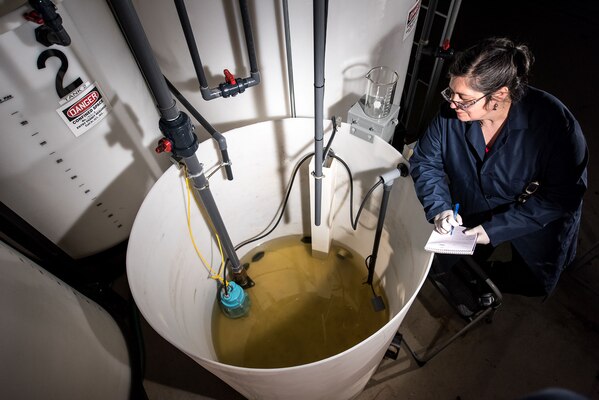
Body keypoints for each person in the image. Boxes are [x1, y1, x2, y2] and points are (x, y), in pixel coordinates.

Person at [410, 37, 588, 298]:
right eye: (451, 92)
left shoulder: (555, 126)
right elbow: (426, 161)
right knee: (458, 267)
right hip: (473, 204)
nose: (452, 103)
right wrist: (439, 208)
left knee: (530, 281)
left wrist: (494, 231)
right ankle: (474, 283)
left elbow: (560, 198)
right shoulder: (452, 114)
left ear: (500, 95)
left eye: (463, 98)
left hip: (534, 218)